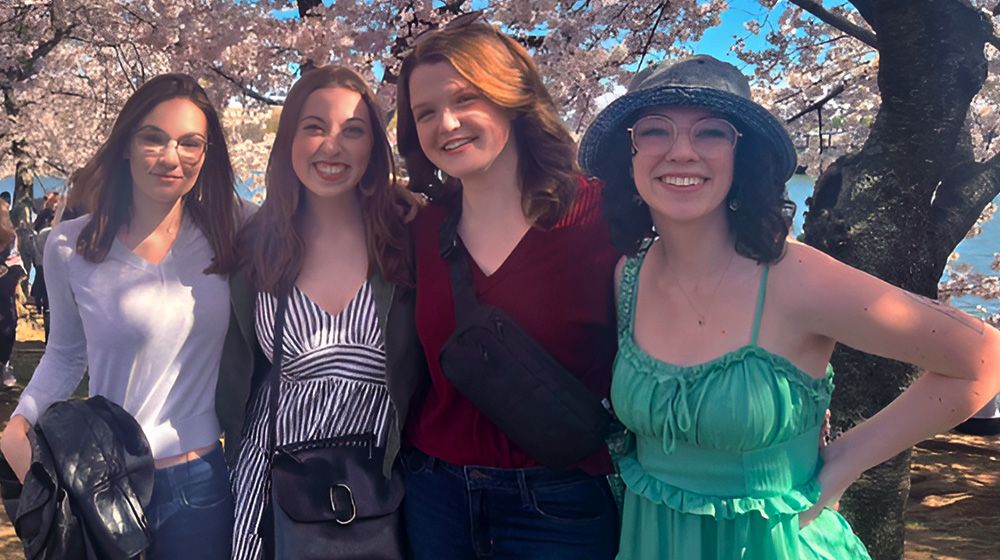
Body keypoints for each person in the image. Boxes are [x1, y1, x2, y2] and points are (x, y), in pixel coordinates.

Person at [577, 54, 1000, 559]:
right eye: (654, 131)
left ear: (743, 156)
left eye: (711, 133)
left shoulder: (796, 278)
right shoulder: (630, 275)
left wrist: (843, 463)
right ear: (630, 156)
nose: (681, 152)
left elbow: (982, 359)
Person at [395, 18, 621, 560]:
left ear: (512, 99)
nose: (445, 124)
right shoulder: (422, 229)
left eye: (465, 98)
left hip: (560, 499)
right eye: (425, 113)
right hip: (434, 490)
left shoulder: (604, 216)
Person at [0, 73, 242, 559]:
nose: (171, 157)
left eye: (190, 143)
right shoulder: (69, 244)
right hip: (100, 482)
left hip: (199, 486)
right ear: (126, 144)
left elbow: (314, 216)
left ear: (206, 154)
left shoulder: (233, 226)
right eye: (153, 137)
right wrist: (20, 420)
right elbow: (66, 353)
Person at [223, 64, 419, 559]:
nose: (332, 146)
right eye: (314, 127)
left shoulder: (405, 238)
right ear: (288, 139)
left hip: (384, 481)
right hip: (274, 479)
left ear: (373, 148)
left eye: (353, 131)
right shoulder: (255, 247)